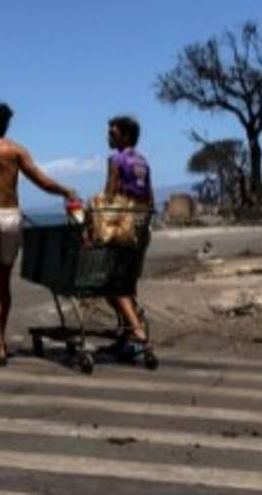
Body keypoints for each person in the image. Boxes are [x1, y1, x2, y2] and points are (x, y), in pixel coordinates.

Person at [0, 101, 76, 365]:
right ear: (5, 125)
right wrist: (65, 191)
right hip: (10, 216)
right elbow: (41, 180)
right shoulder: (16, 150)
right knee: (4, 282)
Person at [100, 115, 153, 354]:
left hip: (122, 225)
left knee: (113, 284)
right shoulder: (143, 161)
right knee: (128, 281)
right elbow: (149, 197)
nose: (108, 137)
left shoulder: (116, 160)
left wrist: (96, 225)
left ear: (126, 136)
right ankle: (126, 331)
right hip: (141, 226)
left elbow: (109, 195)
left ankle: (137, 329)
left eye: (113, 133)